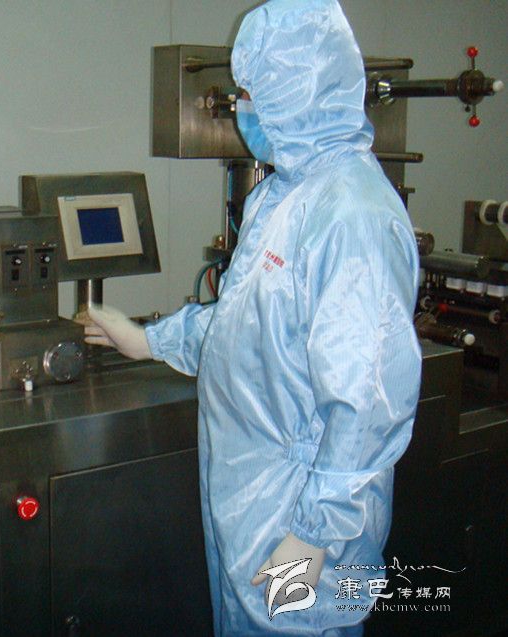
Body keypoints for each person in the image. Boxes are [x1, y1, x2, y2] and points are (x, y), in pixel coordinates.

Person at [83, 0, 422, 634]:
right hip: (253, 514)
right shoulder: (279, 196)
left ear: (298, 92)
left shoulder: (354, 217)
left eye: (249, 93)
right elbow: (243, 326)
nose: (241, 109)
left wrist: (314, 539)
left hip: (305, 533)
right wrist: (150, 340)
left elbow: (369, 408)